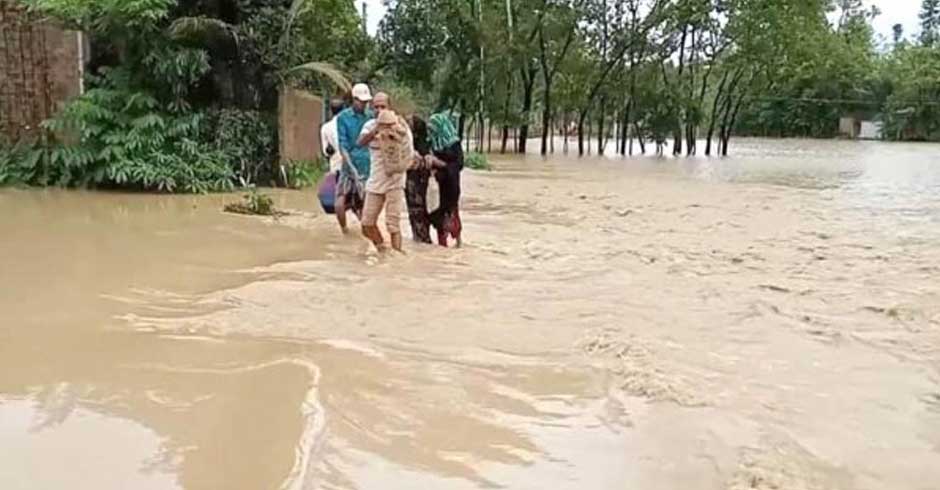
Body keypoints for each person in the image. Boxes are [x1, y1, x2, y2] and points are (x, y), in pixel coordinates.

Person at [357, 92, 413, 252]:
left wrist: (395, 131)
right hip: (375, 180)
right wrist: (377, 129)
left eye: (383, 106)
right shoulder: (369, 126)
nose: (379, 110)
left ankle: (396, 258)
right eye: (376, 107)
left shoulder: (401, 126)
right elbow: (360, 142)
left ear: (390, 107)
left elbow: (408, 153)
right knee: (366, 224)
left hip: (395, 180)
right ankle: (383, 249)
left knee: (393, 225)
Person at [335, 83, 374, 233]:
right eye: (361, 101)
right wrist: (352, 169)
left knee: (365, 203)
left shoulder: (371, 116)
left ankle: (366, 232)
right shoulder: (343, 118)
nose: (363, 104)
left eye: (366, 102)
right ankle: (345, 230)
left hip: (368, 164)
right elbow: (343, 146)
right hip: (349, 163)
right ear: (354, 99)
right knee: (340, 202)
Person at [427, 112, 464, 247]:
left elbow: (459, 164)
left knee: (452, 214)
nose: (431, 130)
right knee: (438, 218)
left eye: (434, 127)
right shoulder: (431, 142)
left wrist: (440, 164)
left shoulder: (454, 143)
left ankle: (458, 243)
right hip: (437, 187)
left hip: (451, 185)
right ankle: (442, 249)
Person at [405, 115, 432, 243]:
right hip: (419, 186)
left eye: (409, 122)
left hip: (415, 185)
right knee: (420, 212)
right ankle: (423, 239)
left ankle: (420, 239)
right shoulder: (426, 145)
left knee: (417, 212)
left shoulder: (414, 147)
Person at [320, 98, 345, 173]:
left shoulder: (325, 127)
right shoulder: (349, 125)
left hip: (335, 165)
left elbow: (326, 151)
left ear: (331, 111)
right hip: (350, 165)